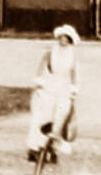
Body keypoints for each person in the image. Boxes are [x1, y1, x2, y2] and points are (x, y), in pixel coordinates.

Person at [27, 25, 80, 162]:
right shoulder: (51, 51)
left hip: (63, 88)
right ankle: (35, 148)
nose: (63, 41)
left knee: (60, 118)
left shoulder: (71, 54)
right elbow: (41, 66)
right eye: (61, 38)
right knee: (43, 118)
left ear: (70, 41)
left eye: (66, 39)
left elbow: (73, 72)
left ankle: (52, 148)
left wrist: (73, 89)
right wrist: (39, 83)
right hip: (49, 86)